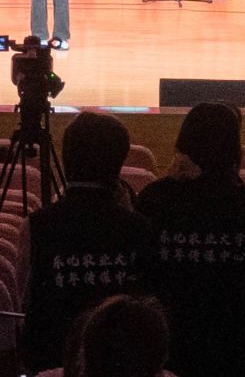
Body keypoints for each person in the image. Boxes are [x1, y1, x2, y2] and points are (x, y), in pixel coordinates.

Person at [135, 103, 245, 377]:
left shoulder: (154, 198)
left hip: (169, 351)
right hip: (238, 352)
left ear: (182, 143)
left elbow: (142, 278)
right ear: (235, 150)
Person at [21, 112, 157, 372]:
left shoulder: (37, 224)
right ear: (118, 164)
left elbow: (24, 300)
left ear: (66, 159)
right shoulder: (140, 228)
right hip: (124, 363)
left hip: (51, 359)